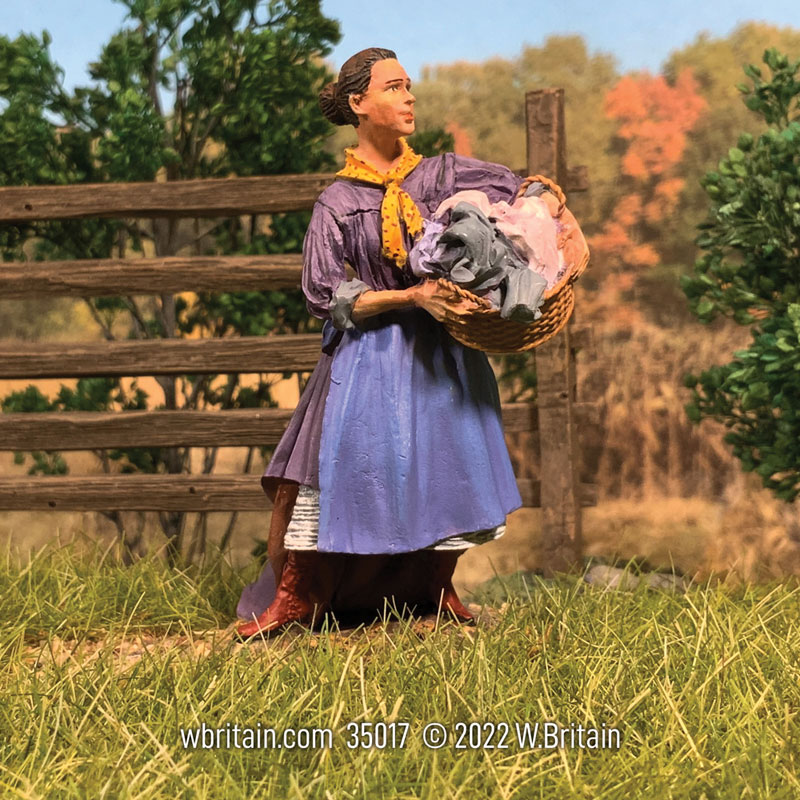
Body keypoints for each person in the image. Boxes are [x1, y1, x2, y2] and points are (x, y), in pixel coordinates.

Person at [236, 47, 532, 638]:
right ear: (358, 103)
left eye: (409, 86)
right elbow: (325, 295)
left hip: (443, 354)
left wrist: (543, 216)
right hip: (367, 359)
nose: (409, 97)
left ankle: (433, 586)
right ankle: (300, 593)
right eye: (394, 88)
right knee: (334, 469)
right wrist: (410, 297)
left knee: (451, 467)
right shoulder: (338, 203)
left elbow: (520, 190)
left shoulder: (441, 175)